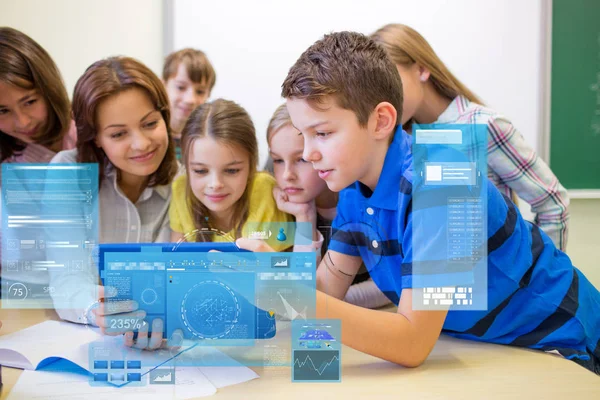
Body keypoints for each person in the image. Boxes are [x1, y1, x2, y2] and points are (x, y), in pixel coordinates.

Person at [280, 31, 600, 373]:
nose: (309, 153)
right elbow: (326, 292)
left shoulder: (444, 180)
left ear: (381, 121)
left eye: (323, 133)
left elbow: (411, 343)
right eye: (304, 134)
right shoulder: (354, 188)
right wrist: (269, 277)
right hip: (486, 348)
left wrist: (301, 300)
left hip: (560, 345)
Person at [371, 23, 569, 251]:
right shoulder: (399, 140)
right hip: (430, 282)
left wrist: (537, 274)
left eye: (392, 82)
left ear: (422, 69)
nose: (387, 98)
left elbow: (554, 203)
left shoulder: (484, 125)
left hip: (496, 282)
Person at [49, 56, 179, 350]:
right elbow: (67, 279)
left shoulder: (184, 184)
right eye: (119, 133)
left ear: (164, 117)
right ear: (95, 137)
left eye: (150, 123)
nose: (142, 143)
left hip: (164, 349)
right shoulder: (67, 174)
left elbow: (172, 280)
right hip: (87, 343)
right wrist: (98, 310)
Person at [263, 103, 389, 309]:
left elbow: (387, 288)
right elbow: (301, 291)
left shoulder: (363, 201)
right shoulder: (279, 205)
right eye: (277, 160)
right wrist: (304, 216)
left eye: (301, 160)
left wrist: (325, 303)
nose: (287, 175)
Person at [169, 99, 291, 249]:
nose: (215, 184)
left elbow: (295, 264)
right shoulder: (181, 190)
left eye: (231, 170)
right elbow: (175, 260)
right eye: (200, 171)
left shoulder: (265, 191)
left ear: (251, 164)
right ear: (187, 166)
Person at [162, 48, 216, 159]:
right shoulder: (153, 137)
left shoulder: (210, 140)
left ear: (208, 94)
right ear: (163, 85)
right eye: (181, 87)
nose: (190, 99)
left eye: (200, 92)